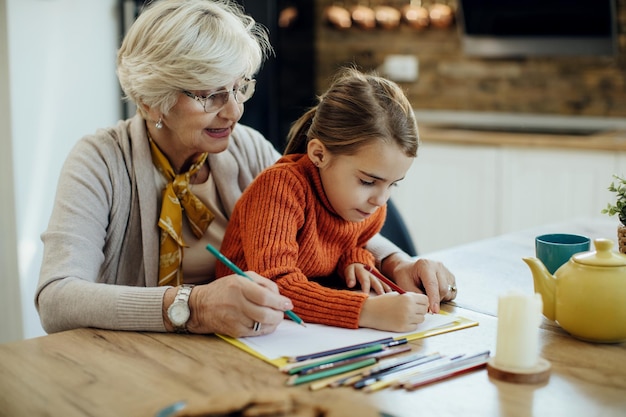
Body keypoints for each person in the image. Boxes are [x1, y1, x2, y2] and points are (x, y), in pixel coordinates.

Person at [36, 0, 456, 339]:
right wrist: (192, 307)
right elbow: (56, 299)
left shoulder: (247, 148)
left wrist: (398, 263)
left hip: (233, 353)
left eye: (239, 87)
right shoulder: (98, 161)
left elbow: (330, 217)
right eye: (210, 95)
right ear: (150, 99)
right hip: (132, 359)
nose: (235, 111)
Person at [216, 67, 440, 332]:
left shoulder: (365, 206)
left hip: (304, 327)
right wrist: (365, 311)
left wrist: (355, 260)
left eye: (393, 184)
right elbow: (276, 285)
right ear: (319, 155)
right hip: (244, 329)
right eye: (368, 182)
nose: (381, 199)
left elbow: (346, 243)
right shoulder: (279, 188)